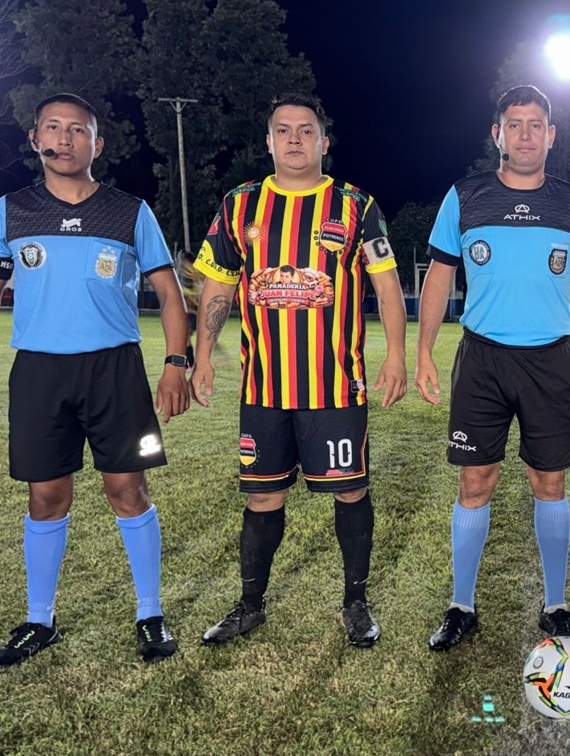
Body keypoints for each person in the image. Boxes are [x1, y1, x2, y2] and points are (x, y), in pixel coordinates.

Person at [0, 92, 190, 670]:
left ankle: (150, 612)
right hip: (39, 371)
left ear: (97, 144)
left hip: (116, 371)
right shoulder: (9, 212)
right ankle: (40, 621)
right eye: (53, 128)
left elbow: (169, 294)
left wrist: (175, 362)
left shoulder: (130, 212)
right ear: (35, 140)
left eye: (78, 130)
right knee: (46, 495)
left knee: (128, 489)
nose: (64, 138)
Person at [192, 93, 407, 649]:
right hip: (264, 387)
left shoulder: (355, 205)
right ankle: (250, 605)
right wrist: (202, 355)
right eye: (284, 130)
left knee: (350, 492)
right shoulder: (240, 205)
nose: (294, 139)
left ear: (324, 142)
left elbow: (386, 283)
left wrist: (397, 355)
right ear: (268, 142)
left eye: (306, 130)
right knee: (262, 498)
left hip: (335, 387)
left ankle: (355, 602)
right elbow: (218, 286)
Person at [415, 84, 570, 651]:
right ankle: (461, 606)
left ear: (551, 135)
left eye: (535, 125)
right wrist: (424, 352)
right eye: (514, 124)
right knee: (474, 480)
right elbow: (440, 275)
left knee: (549, 481)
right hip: (481, 359)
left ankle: (556, 606)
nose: (525, 134)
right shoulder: (465, 197)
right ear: (497, 134)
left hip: (550, 360)